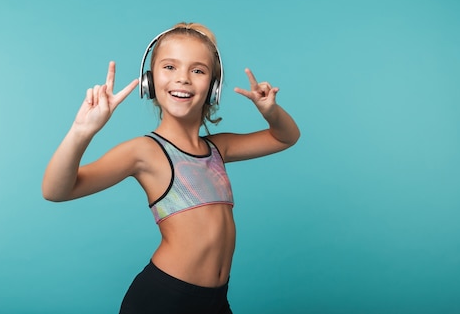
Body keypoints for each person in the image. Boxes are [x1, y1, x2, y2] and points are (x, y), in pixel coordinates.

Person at [42, 22, 300, 313]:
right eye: (170, 67)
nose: (183, 79)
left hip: (215, 300)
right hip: (164, 300)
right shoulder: (144, 151)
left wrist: (271, 111)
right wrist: (81, 132)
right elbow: (55, 191)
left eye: (198, 70)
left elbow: (285, 137)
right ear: (149, 81)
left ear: (214, 86)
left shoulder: (218, 148)